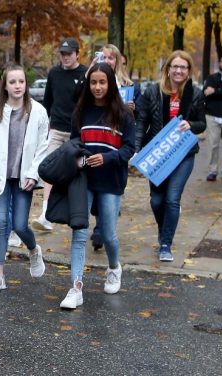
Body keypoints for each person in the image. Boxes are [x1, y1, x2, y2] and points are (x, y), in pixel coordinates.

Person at [59, 63, 135, 310]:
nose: (98, 87)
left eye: (102, 82)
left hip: (111, 182)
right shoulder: (81, 112)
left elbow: (129, 148)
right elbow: (73, 142)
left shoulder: (124, 114)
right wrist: (79, 157)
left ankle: (114, 268)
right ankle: (76, 287)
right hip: (85, 182)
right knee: (79, 233)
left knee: (109, 235)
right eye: (93, 82)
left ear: (110, 83)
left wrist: (107, 158)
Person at [0, 63, 49, 293]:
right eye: (13, 82)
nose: (17, 86)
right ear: (5, 85)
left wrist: (33, 174)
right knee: (0, 222)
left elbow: (43, 146)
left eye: (21, 81)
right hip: (0, 178)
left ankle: (33, 250)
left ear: (25, 84)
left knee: (19, 225)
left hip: (24, 178)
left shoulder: (38, 112)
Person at [135, 50, 206, 262]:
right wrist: (137, 148)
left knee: (172, 199)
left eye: (183, 67)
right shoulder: (153, 91)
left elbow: (202, 124)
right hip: (158, 154)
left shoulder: (196, 94)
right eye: (174, 66)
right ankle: (163, 230)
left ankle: (166, 243)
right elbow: (142, 121)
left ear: (188, 70)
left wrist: (191, 124)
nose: (178, 70)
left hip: (183, 155)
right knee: (157, 201)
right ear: (168, 69)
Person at [89, 44, 141, 252]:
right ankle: (101, 222)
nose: (108, 61)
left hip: (118, 141)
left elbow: (137, 115)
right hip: (97, 139)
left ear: (118, 61)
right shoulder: (93, 81)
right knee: (96, 195)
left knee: (110, 188)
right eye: (104, 57)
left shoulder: (130, 86)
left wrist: (132, 110)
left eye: (112, 58)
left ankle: (102, 228)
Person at [35, 37, 87, 232]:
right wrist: (45, 124)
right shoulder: (54, 74)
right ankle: (46, 214)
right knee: (49, 170)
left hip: (77, 133)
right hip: (56, 130)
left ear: (77, 54)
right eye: (63, 54)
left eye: (69, 54)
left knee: (76, 173)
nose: (65, 57)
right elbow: (48, 101)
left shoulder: (85, 74)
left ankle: (77, 214)